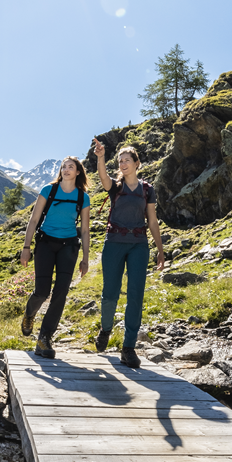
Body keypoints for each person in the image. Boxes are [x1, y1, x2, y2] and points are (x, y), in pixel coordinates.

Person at [92, 139, 164, 368]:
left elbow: (152, 221)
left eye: (126, 160)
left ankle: (128, 347)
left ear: (136, 163)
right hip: (114, 243)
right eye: (120, 161)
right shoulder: (116, 186)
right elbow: (103, 179)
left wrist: (160, 249)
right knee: (110, 293)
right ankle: (105, 329)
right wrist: (101, 157)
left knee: (136, 294)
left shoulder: (147, 190)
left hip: (139, 244)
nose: (122, 164)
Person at [19, 157, 90, 359]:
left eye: (71, 167)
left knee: (61, 293)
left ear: (78, 172)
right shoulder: (48, 191)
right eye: (64, 167)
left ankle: (44, 338)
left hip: (69, 246)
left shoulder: (82, 197)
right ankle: (29, 314)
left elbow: (84, 230)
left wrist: (85, 258)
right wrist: (26, 247)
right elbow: (33, 220)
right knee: (42, 291)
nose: (66, 170)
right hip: (45, 244)